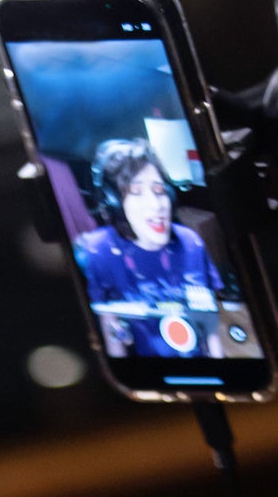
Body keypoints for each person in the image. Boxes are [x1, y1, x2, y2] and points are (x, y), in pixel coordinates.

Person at [73, 136, 228, 360]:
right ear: (114, 203)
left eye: (159, 190)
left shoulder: (189, 242)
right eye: (136, 192)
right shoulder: (98, 251)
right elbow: (111, 330)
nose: (156, 205)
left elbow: (209, 322)